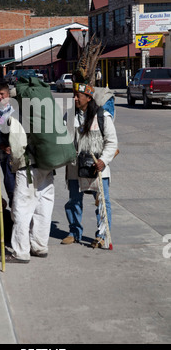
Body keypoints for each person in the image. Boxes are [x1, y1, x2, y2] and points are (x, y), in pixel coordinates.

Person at [61, 82, 118, 248]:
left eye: (78, 96)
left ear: (88, 97)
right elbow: (64, 138)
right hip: (74, 167)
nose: (75, 98)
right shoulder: (69, 116)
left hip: (97, 168)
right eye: (74, 95)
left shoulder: (102, 116)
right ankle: (74, 232)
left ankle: (102, 235)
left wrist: (103, 160)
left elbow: (112, 142)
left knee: (102, 203)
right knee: (73, 201)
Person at [2, 107, 55, 264]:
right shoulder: (46, 113)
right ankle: (40, 246)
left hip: (28, 167)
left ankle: (21, 252)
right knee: (43, 208)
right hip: (48, 166)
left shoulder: (17, 115)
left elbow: (11, 138)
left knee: (21, 210)